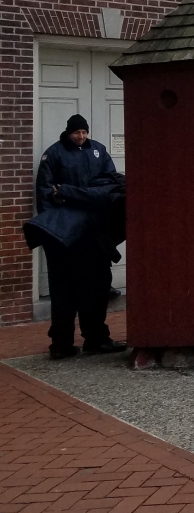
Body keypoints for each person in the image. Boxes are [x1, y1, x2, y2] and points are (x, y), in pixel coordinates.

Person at [30, 115, 126, 359]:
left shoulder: (99, 151)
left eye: (84, 132)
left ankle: (96, 339)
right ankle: (61, 344)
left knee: (96, 288)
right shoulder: (53, 154)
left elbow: (110, 188)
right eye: (76, 133)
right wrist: (55, 226)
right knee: (64, 291)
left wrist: (67, 193)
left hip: (94, 232)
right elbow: (45, 195)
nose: (81, 136)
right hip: (64, 234)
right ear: (68, 132)